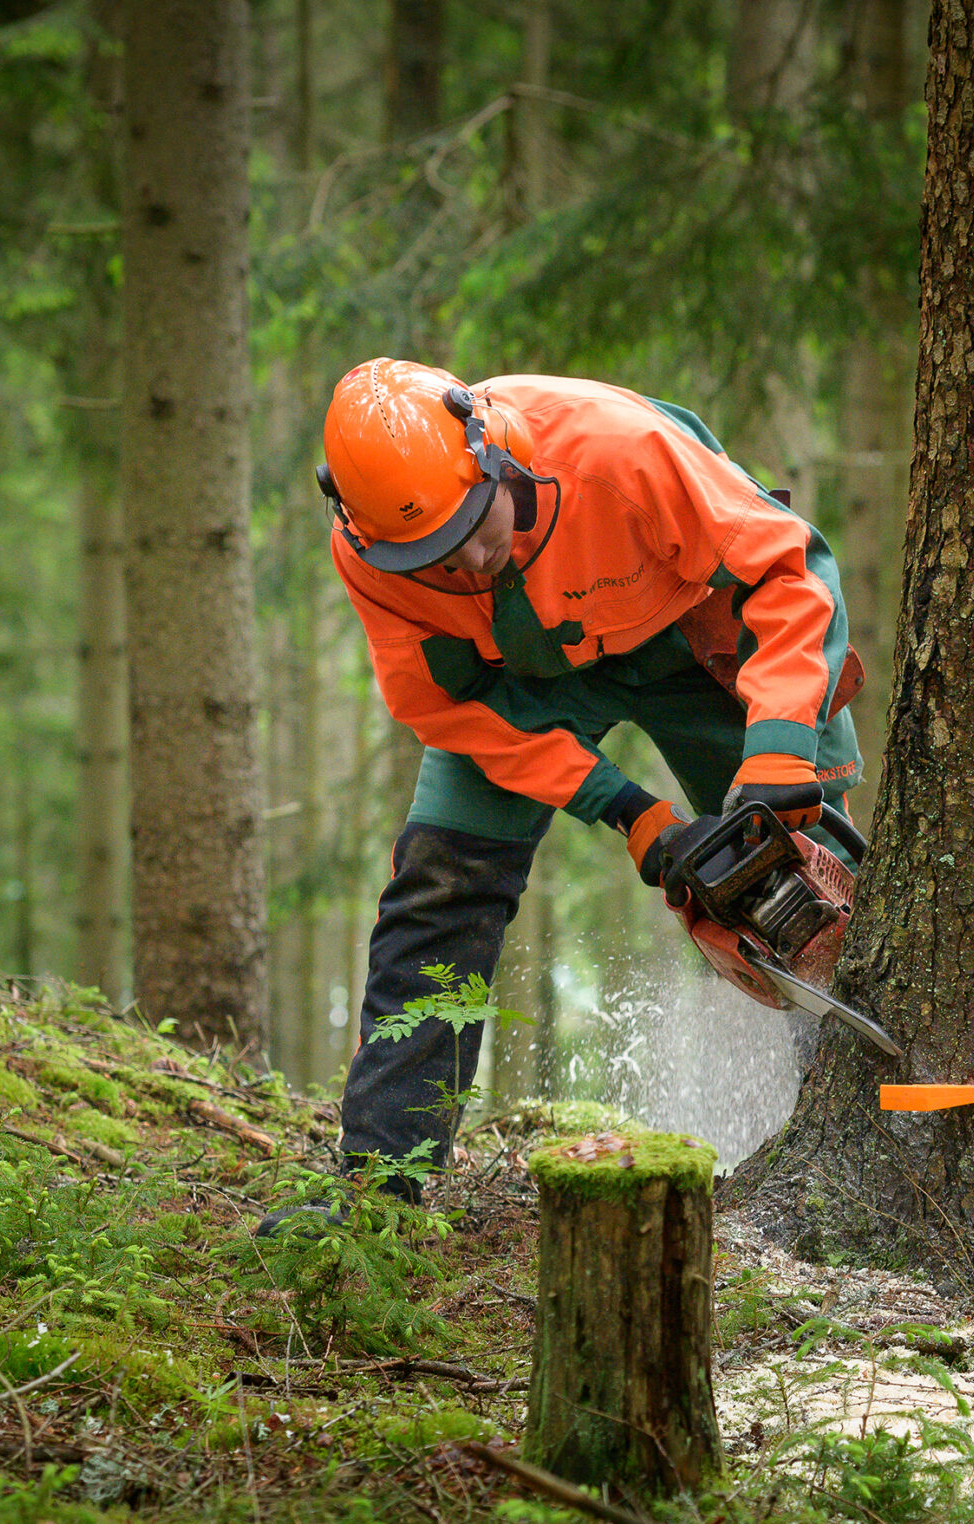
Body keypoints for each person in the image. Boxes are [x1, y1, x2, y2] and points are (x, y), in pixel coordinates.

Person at [279, 359, 865, 1220]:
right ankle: (380, 1193)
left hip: (693, 637)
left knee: (808, 882)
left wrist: (777, 757)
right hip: (520, 681)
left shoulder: (614, 450)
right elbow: (445, 704)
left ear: (490, 452)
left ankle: (862, 1144)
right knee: (442, 884)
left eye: (478, 527)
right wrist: (635, 815)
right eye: (435, 558)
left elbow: (789, 565)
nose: (473, 563)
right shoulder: (372, 557)